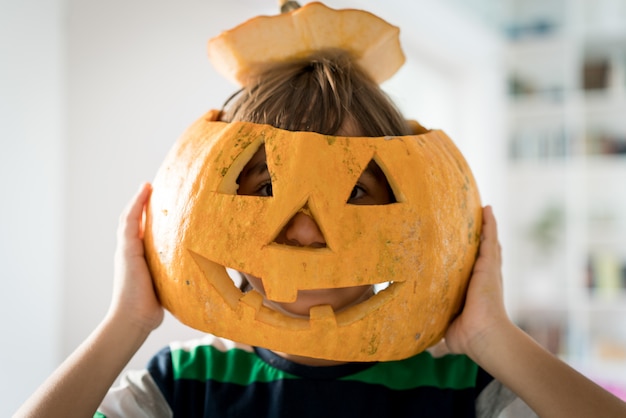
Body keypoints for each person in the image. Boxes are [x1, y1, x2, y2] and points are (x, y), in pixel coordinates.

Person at [15, 51, 626, 418]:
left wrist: (490, 336)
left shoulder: (464, 387)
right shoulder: (186, 384)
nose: (305, 232)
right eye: (261, 190)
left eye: (355, 193)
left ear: (422, 215)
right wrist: (128, 321)